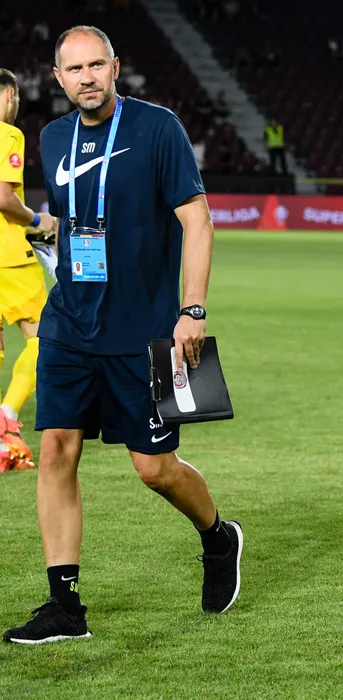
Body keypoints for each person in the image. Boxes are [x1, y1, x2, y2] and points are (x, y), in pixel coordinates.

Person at [2, 25, 244, 645]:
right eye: (74, 69)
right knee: (56, 450)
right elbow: (73, 219)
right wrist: (46, 234)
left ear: (115, 67)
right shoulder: (52, 138)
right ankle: (64, 605)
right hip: (70, 323)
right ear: (57, 79)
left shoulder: (158, 128)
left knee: (154, 469)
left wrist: (193, 309)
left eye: (96, 65)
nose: (86, 77)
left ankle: (218, 537)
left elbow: (197, 222)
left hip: (143, 331)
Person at [0, 67, 57, 472]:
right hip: (9, 257)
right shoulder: (8, 135)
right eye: (16, 97)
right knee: (46, 337)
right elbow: (4, 198)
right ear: (8, 96)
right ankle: (6, 415)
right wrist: (38, 221)